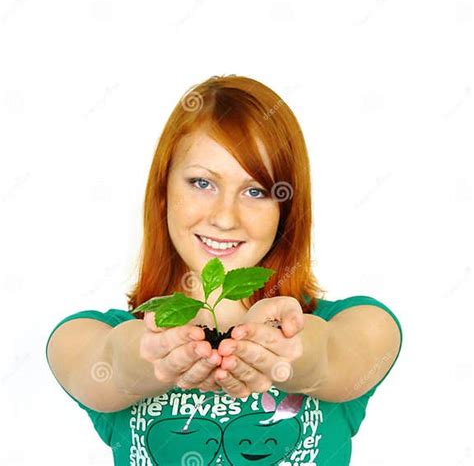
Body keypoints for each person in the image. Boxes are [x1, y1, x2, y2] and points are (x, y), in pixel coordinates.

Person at [45, 74, 403, 465]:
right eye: (202, 182)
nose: (225, 218)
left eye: (255, 191)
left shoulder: (362, 325)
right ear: (163, 193)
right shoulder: (83, 337)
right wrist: (153, 353)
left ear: (286, 208)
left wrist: (288, 349)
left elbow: (333, 357)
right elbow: (109, 365)